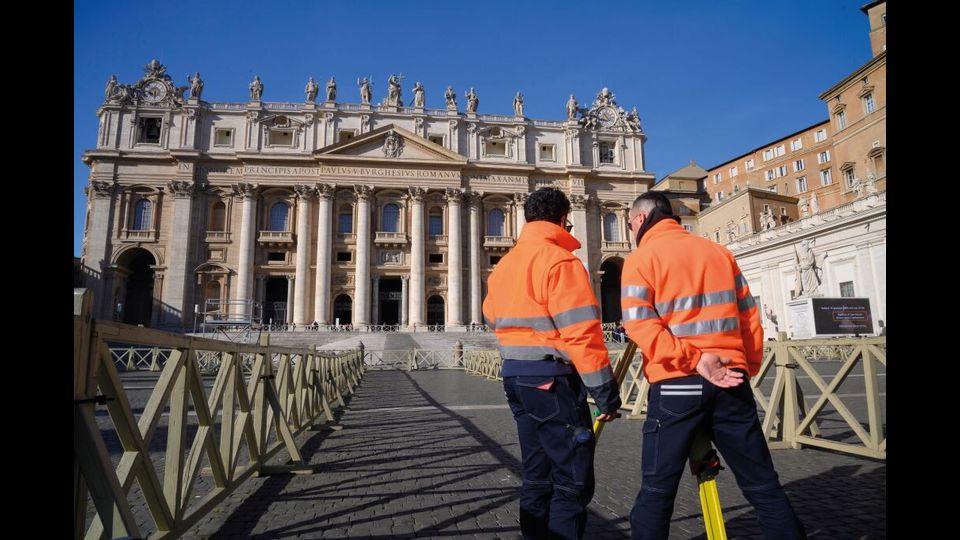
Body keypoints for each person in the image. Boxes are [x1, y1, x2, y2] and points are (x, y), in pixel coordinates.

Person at [620, 191, 806, 540]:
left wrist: (694, 359)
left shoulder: (642, 258)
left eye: (631, 224)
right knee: (763, 486)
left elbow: (639, 325)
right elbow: (750, 318)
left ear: (642, 219)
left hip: (678, 382)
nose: (631, 231)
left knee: (659, 491)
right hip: (730, 379)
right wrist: (745, 367)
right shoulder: (719, 253)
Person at [483, 187, 621, 539]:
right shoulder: (560, 261)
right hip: (551, 380)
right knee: (571, 480)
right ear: (562, 219)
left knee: (536, 474)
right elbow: (581, 334)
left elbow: (491, 317)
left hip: (515, 376)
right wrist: (605, 392)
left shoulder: (505, 266)